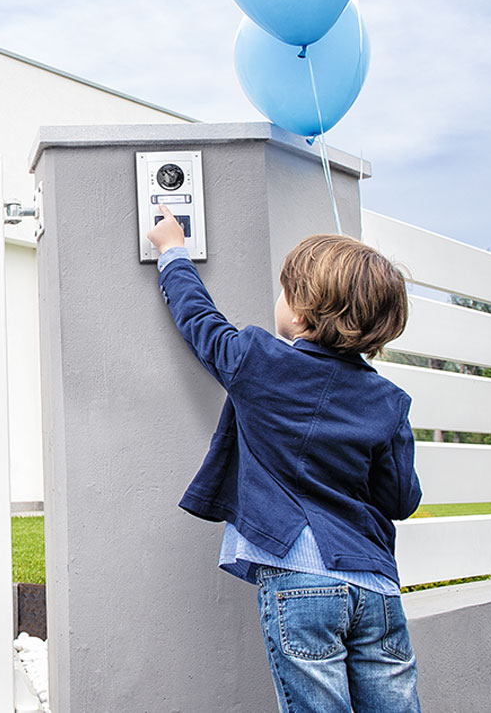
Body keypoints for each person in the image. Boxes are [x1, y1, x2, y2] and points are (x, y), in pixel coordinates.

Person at [147, 204, 423, 713]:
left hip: (301, 575)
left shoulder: (259, 361)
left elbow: (202, 324)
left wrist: (172, 252)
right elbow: (400, 499)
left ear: (298, 313)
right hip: (377, 586)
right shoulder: (389, 401)